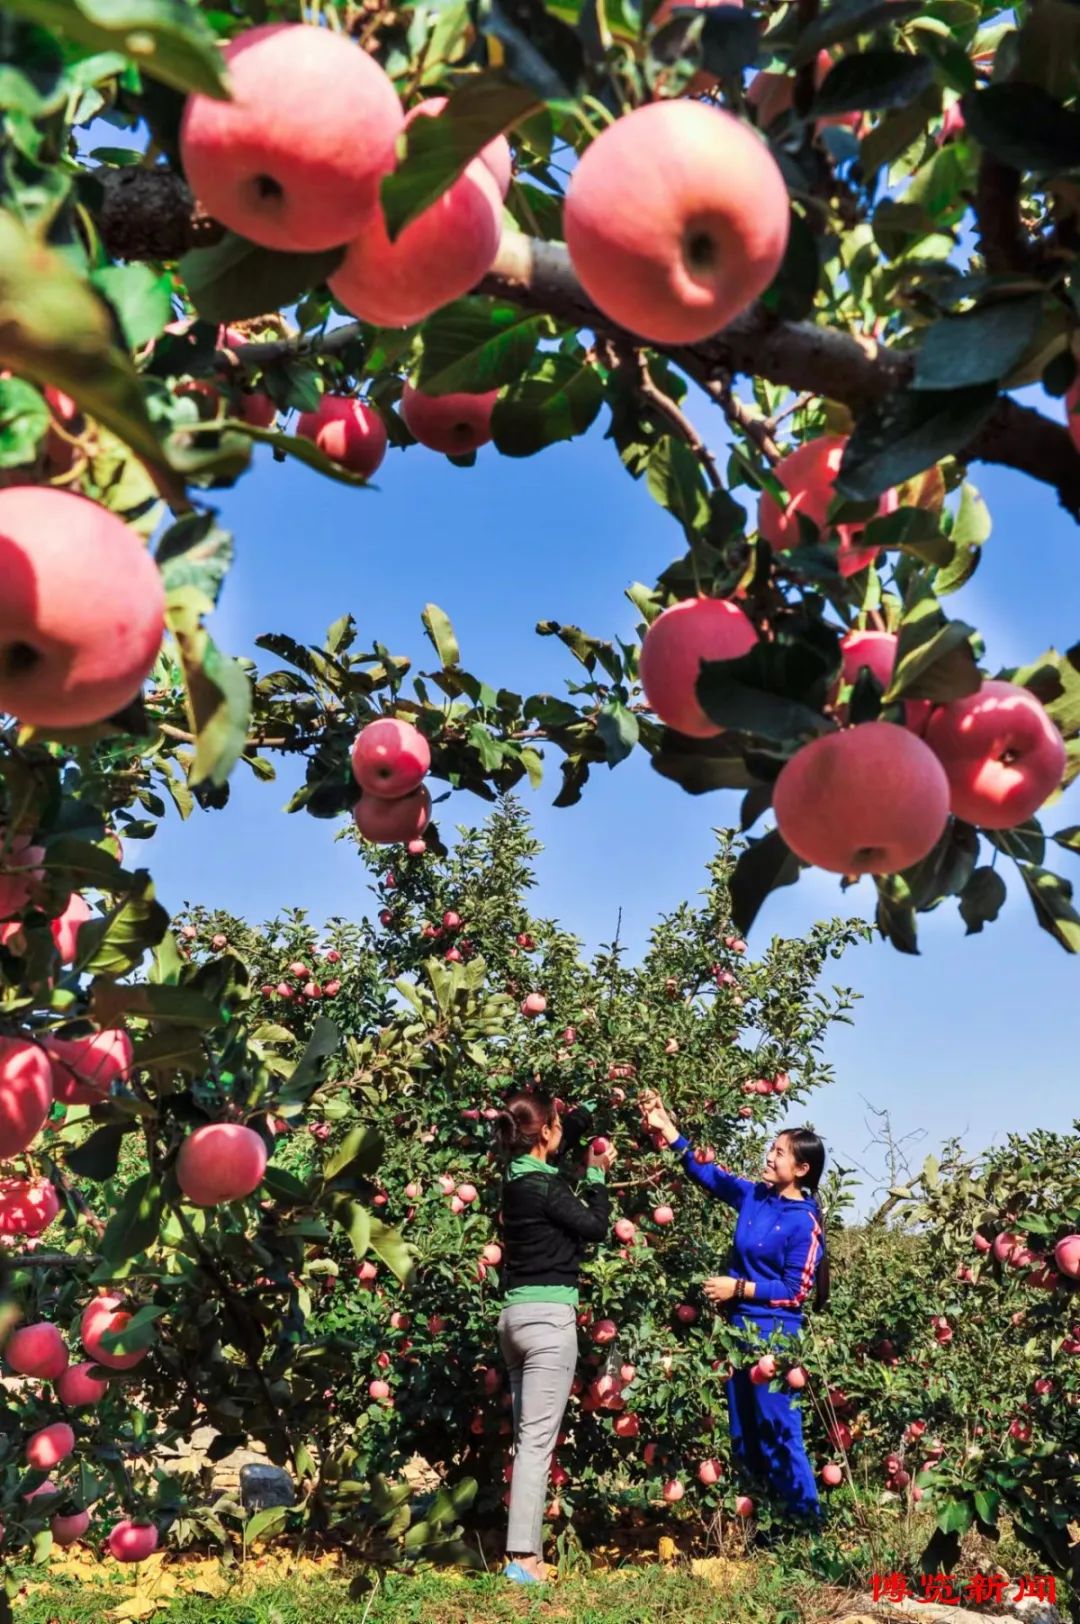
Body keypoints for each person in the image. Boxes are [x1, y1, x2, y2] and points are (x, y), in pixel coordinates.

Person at [639, 1088, 828, 1524]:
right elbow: (711, 1176)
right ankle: (763, 1528)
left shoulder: (804, 1222)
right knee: (743, 1433)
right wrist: (668, 1129)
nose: (769, 1157)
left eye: (779, 1153)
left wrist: (737, 1288)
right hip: (737, 1333)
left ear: (801, 1169)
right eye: (771, 1149)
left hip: (775, 1338)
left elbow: (795, 1290)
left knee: (778, 1432)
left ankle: (805, 1529)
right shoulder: (755, 1197)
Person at [491, 1089, 614, 1585]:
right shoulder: (547, 1187)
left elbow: (555, 1154)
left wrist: (589, 1111)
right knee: (537, 1444)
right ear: (544, 1132)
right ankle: (523, 1560)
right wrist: (598, 1176)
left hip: (513, 1319)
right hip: (548, 1322)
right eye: (557, 1123)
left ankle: (526, 1556)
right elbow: (595, 1226)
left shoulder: (516, 1178)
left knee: (528, 1440)